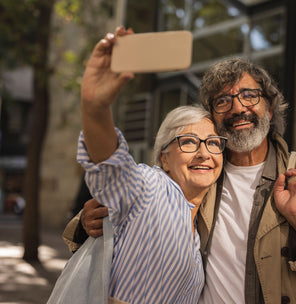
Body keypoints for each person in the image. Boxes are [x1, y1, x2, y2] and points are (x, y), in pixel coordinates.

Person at [64, 39, 296, 303]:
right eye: (223, 101)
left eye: (249, 95)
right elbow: (128, 185)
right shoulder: (202, 177)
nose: (237, 108)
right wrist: (93, 219)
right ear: (214, 116)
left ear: (270, 108)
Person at [64, 27, 226, 303]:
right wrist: (94, 108)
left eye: (213, 142)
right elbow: (111, 167)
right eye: (188, 141)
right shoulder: (149, 188)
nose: (204, 153)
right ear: (164, 157)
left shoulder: (200, 230)